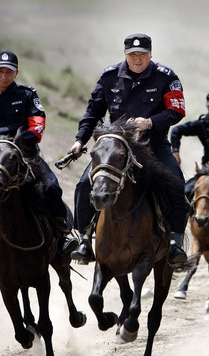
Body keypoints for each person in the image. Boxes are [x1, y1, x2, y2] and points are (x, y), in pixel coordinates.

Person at [69, 33, 188, 267]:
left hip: (153, 144)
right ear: (125, 54)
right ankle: (83, 239)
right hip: (115, 147)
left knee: (176, 182)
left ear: (150, 54)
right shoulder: (110, 76)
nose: (137, 59)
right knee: (84, 184)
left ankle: (175, 243)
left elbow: (177, 111)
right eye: (133, 55)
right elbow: (93, 112)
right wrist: (80, 141)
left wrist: (150, 122)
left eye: (142, 54)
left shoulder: (166, 76)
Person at [0, 50, 77, 280]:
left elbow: (38, 123)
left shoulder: (27, 95)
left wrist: (25, 141)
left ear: (16, 73)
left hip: (24, 158)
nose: (4, 75)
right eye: (0, 71)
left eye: (9, 71)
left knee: (51, 186)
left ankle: (63, 236)